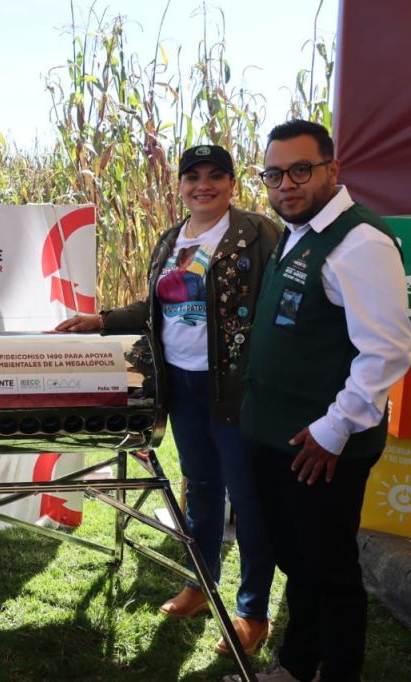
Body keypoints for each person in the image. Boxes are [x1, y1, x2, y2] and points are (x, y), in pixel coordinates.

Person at [56, 145, 281, 655]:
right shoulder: (171, 239)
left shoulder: (256, 233)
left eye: (216, 176)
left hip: (234, 387)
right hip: (181, 383)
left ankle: (252, 612)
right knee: (200, 489)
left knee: (247, 497)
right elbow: (156, 307)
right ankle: (200, 585)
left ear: (232, 183)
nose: (204, 186)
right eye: (193, 177)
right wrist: (102, 320)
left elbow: (275, 305)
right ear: (180, 185)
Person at [231, 120, 411, 682]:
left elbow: (386, 351)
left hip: (322, 445)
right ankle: (295, 665)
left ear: (333, 169)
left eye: (301, 170)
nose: (286, 184)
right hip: (280, 436)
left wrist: (334, 429)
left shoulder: (361, 243)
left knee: (330, 571)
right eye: (274, 174)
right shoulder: (299, 232)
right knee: (299, 563)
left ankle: (337, 672)